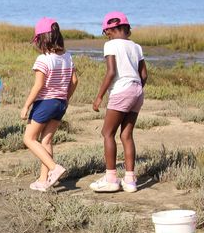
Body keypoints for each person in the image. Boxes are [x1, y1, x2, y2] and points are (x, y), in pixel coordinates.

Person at [90, 11, 148, 193]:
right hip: (137, 91)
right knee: (126, 135)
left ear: (110, 30)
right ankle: (130, 181)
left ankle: (111, 179)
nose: (106, 35)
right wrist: (135, 89)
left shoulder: (110, 45)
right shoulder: (136, 47)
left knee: (107, 133)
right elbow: (144, 74)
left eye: (105, 32)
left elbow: (111, 72)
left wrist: (99, 96)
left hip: (122, 90)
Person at [20, 18, 78, 191]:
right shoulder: (67, 56)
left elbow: (38, 85)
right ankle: (43, 180)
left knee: (29, 138)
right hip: (60, 104)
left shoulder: (43, 59)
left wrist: (26, 105)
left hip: (45, 103)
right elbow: (74, 81)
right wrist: (66, 98)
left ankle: (54, 168)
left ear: (41, 39)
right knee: (46, 140)